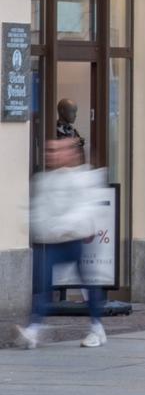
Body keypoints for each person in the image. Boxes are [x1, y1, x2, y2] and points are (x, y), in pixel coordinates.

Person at [17, 137, 109, 350]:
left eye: (57, 151)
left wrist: (63, 225)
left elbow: (85, 208)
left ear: (71, 153)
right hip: (50, 240)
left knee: (87, 283)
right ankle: (34, 328)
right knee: (42, 283)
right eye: (50, 151)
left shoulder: (83, 178)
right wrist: (34, 224)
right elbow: (38, 208)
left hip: (74, 239)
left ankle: (97, 326)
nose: (52, 155)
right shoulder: (43, 179)